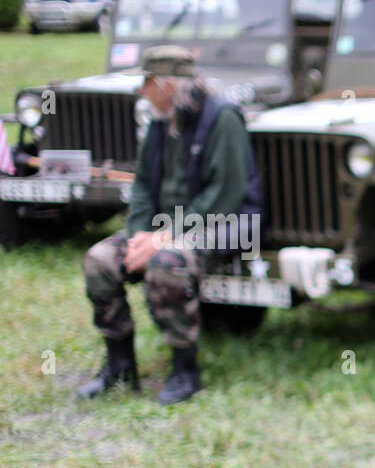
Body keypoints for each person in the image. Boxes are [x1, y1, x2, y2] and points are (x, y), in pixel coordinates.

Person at [78, 46, 261, 405]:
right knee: (99, 259)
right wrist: (139, 235)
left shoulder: (222, 118)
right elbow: (143, 185)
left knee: (168, 263)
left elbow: (224, 197)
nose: (141, 91)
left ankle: (185, 370)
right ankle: (119, 366)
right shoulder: (159, 121)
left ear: (168, 85)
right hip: (167, 227)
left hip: (227, 222)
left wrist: (164, 238)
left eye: (147, 82)